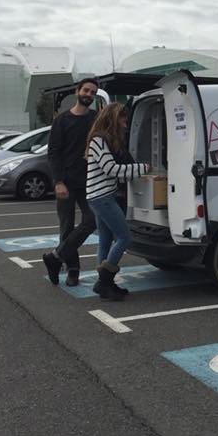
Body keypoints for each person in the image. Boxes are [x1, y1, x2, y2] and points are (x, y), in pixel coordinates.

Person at [85, 103, 149, 300]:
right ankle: (103, 282)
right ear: (113, 118)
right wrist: (141, 168)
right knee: (124, 237)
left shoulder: (105, 140)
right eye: (123, 118)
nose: (125, 122)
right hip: (102, 197)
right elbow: (111, 169)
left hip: (101, 195)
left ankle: (105, 284)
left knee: (105, 239)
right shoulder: (98, 140)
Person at [43, 78, 99, 287]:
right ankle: (73, 270)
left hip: (89, 182)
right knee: (66, 227)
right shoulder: (62, 120)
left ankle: (55, 258)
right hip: (66, 182)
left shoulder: (96, 119)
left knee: (91, 220)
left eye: (93, 93)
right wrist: (58, 182)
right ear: (77, 91)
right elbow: (53, 153)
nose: (89, 95)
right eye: (86, 90)